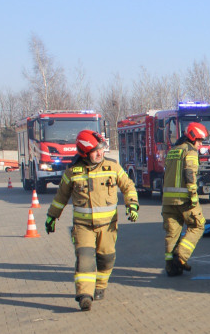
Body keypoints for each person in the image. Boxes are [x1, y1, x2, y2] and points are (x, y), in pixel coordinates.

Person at [44, 130, 139, 311]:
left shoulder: (113, 167)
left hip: (108, 227)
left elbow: (128, 186)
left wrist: (132, 204)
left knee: (106, 259)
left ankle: (100, 287)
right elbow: (60, 197)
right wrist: (52, 216)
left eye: (101, 149)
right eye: (95, 151)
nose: (100, 153)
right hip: (83, 227)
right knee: (85, 259)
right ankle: (84, 295)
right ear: (84, 153)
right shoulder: (72, 172)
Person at [161, 122, 208, 276]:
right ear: (193, 139)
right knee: (198, 226)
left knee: (172, 234)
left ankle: (171, 269)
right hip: (185, 200)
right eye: (200, 141)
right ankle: (180, 256)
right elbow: (189, 174)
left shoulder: (173, 151)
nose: (200, 144)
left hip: (168, 201)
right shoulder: (191, 152)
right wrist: (193, 196)